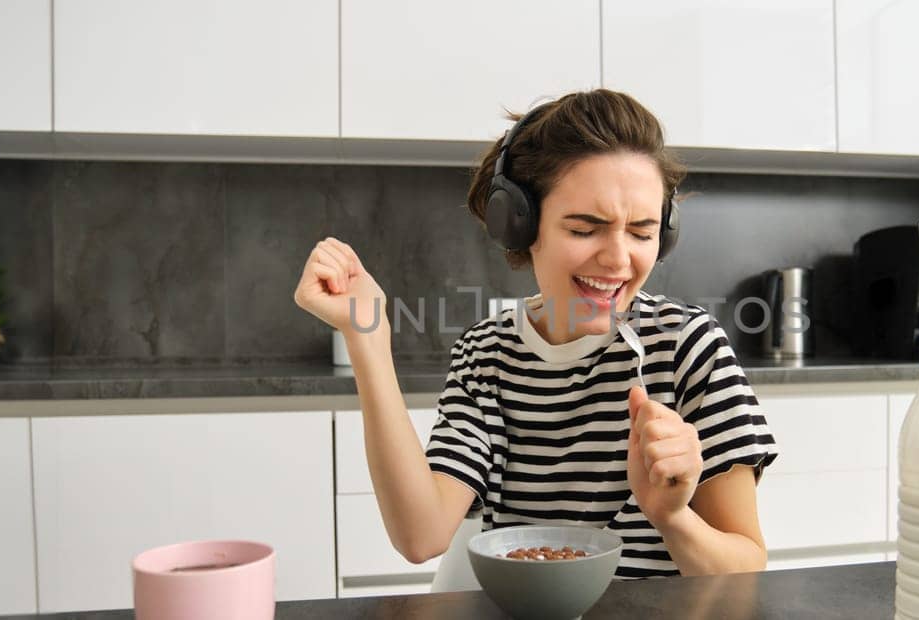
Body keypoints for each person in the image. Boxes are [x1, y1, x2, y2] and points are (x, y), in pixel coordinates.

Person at [294, 89, 778, 578]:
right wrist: (367, 339)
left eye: (641, 231)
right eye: (585, 228)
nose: (618, 259)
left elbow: (745, 570)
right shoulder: (487, 354)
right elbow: (421, 537)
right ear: (521, 225)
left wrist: (671, 516)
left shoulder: (688, 347)